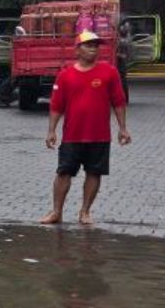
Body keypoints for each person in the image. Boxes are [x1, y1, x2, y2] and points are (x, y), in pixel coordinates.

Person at [42, 32, 131, 226]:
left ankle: (85, 212)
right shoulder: (65, 75)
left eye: (95, 45)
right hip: (72, 136)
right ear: (77, 49)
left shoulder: (109, 72)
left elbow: (118, 101)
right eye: (88, 45)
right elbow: (56, 106)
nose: (93, 48)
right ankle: (56, 212)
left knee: (94, 173)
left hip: (99, 135)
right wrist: (51, 131)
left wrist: (122, 128)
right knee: (63, 172)